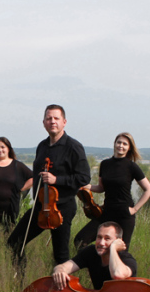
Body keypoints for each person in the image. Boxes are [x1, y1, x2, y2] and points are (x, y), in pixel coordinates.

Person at [7, 104, 90, 271]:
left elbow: (84, 178)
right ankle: (19, 279)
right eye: (49, 118)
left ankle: (64, 286)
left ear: (64, 122)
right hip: (41, 206)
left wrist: (56, 179)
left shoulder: (74, 147)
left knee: (60, 256)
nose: (52, 121)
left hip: (62, 208)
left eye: (56, 118)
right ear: (43, 123)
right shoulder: (42, 146)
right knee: (14, 242)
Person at [73, 132, 150, 250]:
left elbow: (148, 189)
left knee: (121, 250)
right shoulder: (105, 164)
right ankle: (96, 260)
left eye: (125, 144)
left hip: (124, 214)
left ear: (129, 148)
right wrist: (87, 186)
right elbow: (101, 188)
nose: (121, 146)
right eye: (119, 142)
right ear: (114, 144)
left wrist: (135, 209)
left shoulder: (132, 166)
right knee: (80, 240)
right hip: (106, 212)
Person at [52, 222, 137, 291]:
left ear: (118, 241)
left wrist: (113, 248)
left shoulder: (127, 259)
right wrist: (59, 271)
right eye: (99, 237)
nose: (101, 243)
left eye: (107, 238)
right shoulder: (91, 252)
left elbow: (117, 275)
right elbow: (63, 267)